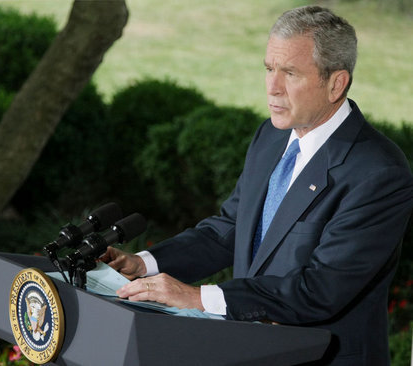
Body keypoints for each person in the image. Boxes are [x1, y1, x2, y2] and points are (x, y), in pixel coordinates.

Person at [101, 5, 413, 365]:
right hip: (250, 352)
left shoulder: (378, 173)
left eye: (290, 73)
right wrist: (146, 264)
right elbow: (231, 228)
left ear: (336, 83)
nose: (273, 87)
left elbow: (321, 288)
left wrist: (199, 298)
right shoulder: (270, 136)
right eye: (269, 69)